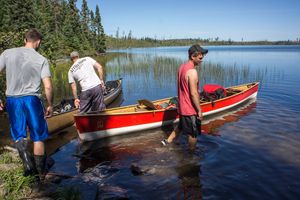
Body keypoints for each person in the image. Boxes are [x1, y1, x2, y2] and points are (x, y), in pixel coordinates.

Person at [0, 28, 53, 182]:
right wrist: (50, 104)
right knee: (38, 137)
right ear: (38, 42)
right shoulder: (41, 59)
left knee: (19, 134)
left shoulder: (7, 53)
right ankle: (40, 176)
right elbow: (48, 86)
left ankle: (26, 162)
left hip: (12, 100)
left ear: (25, 40)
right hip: (32, 100)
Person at [161, 44, 208, 151]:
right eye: (200, 58)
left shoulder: (182, 67)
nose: (202, 60)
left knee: (181, 126)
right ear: (193, 56)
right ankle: (191, 154)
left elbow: (184, 87)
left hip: (182, 106)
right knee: (193, 134)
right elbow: (193, 94)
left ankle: (166, 142)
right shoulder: (192, 72)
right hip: (190, 109)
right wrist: (199, 110)